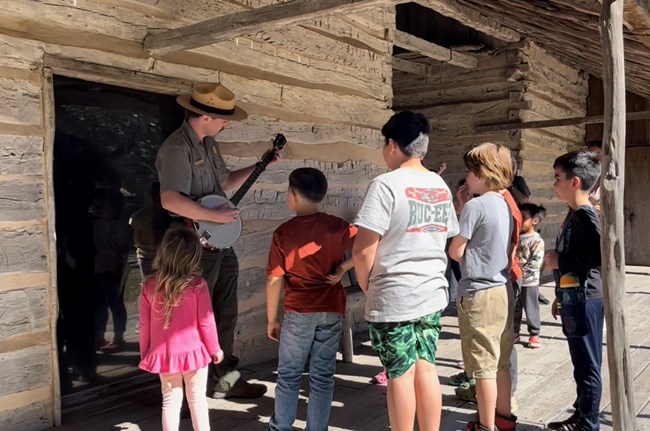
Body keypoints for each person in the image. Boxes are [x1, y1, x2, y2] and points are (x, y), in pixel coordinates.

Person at [156, 83, 275, 399]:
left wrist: (259, 166)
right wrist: (211, 217)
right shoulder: (177, 149)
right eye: (225, 119)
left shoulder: (208, 145)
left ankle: (225, 381)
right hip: (191, 245)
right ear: (206, 115)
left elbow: (223, 182)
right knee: (190, 316)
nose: (228, 124)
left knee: (224, 312)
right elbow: (169, 200)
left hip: (218, 242)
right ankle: (182, 390)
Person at [353, 111, 459, 431]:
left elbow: (362, 248)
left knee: (400, 372)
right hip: (431, 291)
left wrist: (367, 284)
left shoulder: (385, 184)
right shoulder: (438, 184)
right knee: (426, 366)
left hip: (395, 293)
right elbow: (445, 234)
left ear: (392, 144)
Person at [265, 167, 357, 431]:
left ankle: (281, 427)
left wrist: (272, 318)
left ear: (292, 195)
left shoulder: (284, 232)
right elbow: (370, 246)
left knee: (290, 374)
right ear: (322, 196)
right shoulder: (338, 227)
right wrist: (343, 268)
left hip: (298, 311)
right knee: (323, 376)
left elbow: (274, 279)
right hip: (331, 308)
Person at [448, 143, 517, 431]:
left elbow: (456, 251)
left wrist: (463, 211)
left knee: (482, 367)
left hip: (478, 293)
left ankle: (485, 425)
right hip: (502, 289)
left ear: (481, 173)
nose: (467, 177)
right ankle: (503, 417)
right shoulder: (502, 202)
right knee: (500, 360)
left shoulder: (476, 205)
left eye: (470, 171)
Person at [138, 227, 224, 431]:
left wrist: (146, 352)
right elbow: (207, 322)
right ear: (194, 256)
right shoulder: (197, 285)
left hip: (164, 355)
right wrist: (215, 349)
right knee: (197, 401)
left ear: (163, 253)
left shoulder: (149, 285)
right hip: (195, 354)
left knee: (170, 401)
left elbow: (144, 325)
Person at [544, 151, 602, 431]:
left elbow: (598, 256)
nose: (554, 184)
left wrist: (560, 261)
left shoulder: (585, 216)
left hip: (586, 299)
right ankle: (581, 415)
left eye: (557, 178)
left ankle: (589, 423)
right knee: (580, 363)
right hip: (573, 295)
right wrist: (560, 294)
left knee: (588, 363)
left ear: (575, 181)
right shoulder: (574, 213)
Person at [90, 187, 132, 353]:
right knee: (100, 304)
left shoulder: (120, 227)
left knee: (115, 303)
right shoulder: (97, 224)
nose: (96, 209)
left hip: (114, 270)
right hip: (98, 269)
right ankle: (99, 336)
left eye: (100, 206)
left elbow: (122, 250)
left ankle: (118, 337)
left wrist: (118, 268)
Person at [515, 203, 546, 349]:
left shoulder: (536, 240)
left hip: (529, 281)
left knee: (530, 307)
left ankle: (534, 333)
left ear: (535, 221)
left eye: (524, 217)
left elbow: (536, 262)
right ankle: (514, 332)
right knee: (514, 307)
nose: (520, 220)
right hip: (514, 280)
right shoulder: (516, 237)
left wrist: (521, 272)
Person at [130, 182, 171, 278]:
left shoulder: (170, 217)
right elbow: (134, 240)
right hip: (147, 257)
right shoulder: (137, 218)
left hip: (165, 257)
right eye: (153, 196)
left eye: (157, 195)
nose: (155, 200)